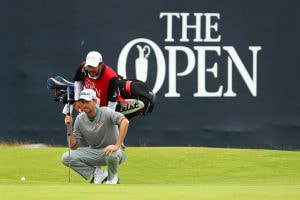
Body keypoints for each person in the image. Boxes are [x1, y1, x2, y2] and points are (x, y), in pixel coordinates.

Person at [61, 89, 129, 184]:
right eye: (82, 102)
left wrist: (117, 145)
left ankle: (113, 178)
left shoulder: (106, 112)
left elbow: (124, 121)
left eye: (87, 102)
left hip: (116, 152)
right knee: (66, 157)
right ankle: (98, 173)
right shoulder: (80, 119)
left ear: (95, 102)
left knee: (112, 153)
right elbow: (73, 146)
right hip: (95, 153)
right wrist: (69, 126)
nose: (84, 105)